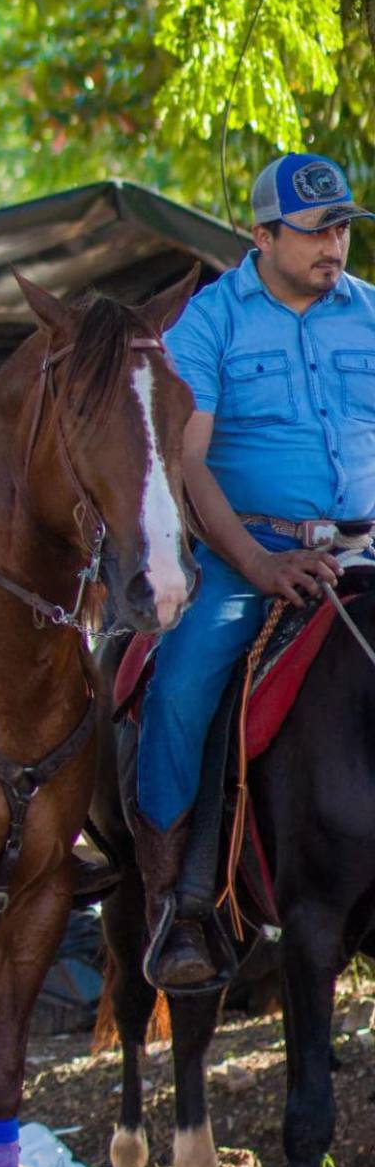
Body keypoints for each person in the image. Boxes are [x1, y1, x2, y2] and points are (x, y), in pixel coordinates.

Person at [136, 152, 375, 988]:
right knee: (184, 680)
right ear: (261, 233)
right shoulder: (207, 323)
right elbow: (188, 463)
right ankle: (177, 898)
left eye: (341, 227)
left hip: (365, 546)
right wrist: (257, 562)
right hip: (250, 552)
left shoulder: (371, 315)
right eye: (314, 232)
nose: (332, 246)